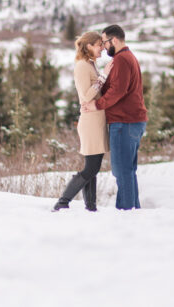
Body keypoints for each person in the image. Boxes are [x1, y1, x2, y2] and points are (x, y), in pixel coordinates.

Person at [83, 24, 147, 210]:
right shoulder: (128, 57)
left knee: (121, 171)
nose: (103, 46)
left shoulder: (122, 60)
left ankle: (126, 213)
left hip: (125, 122)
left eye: (105, 42)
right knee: (128, 170)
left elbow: (117, 91)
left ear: (115, 40)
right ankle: (133, 211)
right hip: (133, 121)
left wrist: (96, 104)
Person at [53, 31, 109, 212]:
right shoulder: (82, 66)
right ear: (89, 46)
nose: (102, 48)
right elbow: (86, 96)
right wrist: (103, 77)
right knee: (92, 167)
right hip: (91, 122)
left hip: (97, 120)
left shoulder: (91, 64)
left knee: (93, 167)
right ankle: (63, 201)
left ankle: (90, 207)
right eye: (99, 44)